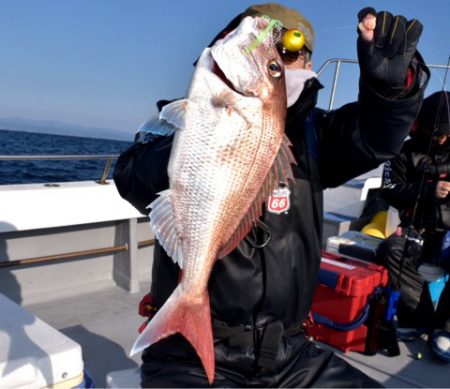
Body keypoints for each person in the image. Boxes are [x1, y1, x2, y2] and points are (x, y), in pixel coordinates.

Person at [114, 3, 429, 387]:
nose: (276, 55)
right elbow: (128, 175)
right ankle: (186, 312)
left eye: (289, 55)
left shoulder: (318, 138)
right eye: (265, 47)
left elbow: (379, 137)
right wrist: (203, 143)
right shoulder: (177, 121)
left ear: (307, 67)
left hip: (292, 353)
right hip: (188, 355)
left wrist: (393, 91)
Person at [377, 91, 450, 363]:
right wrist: (428, 189)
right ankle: (423, 320)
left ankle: (446, 328)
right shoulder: (403, 152)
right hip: (416, 234)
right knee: (389, 250)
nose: (442, 139)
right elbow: (388, 189)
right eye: (436, 133)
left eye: (447, 134)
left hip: (448, 238)